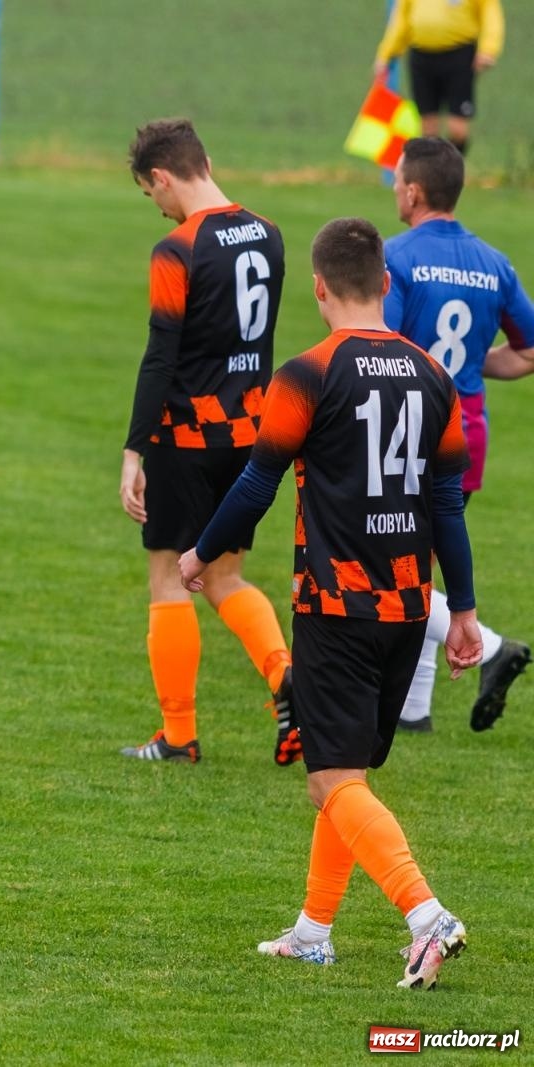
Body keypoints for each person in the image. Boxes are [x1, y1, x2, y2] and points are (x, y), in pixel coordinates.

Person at [180, 216, 479, 990]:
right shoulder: (432, 374)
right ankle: (314, 930)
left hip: (335, 607)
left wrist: (201, 552)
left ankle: (426, 914)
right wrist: (468, 611)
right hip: (410, 607)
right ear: (386, 284)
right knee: (348, 776)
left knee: (331, 781)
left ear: (317, 289)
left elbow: (256, 484)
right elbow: (449, 504)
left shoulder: (308, 373)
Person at [118, 118, 295, 765]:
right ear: (207, 160)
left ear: (163, 176)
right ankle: (287, 678)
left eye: (150, 194)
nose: (157, 207)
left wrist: (134, 450)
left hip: (186, 435)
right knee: (224, 574)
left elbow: (161, 354)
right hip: (250, 434)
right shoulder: (270, 233)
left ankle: (179, 735)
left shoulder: (178, 248)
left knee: (169, 575)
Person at [384, 137, 534, 733]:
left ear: (415, 191)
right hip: (467, 432)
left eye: (397, 181)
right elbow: (527, 353)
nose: (394, 189)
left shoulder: (396, 257)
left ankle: (493, 647)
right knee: (419, 567)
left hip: (411, 431)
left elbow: (384, 349)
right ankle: (415, 711)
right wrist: (473, 363)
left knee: (393, 570)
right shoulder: (495, 264)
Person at [372, 0, 504, 156]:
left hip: (459, 55)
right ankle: (433, 177)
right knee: (428, 130)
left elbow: (491, 15)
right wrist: (385, 55)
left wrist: (488, 49)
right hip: (421, 57)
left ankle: (452, 172)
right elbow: (401, 21)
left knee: (458, 130)